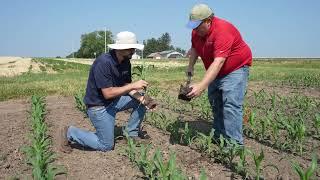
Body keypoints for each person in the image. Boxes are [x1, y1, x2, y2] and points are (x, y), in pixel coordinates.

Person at [58, 31, 156, 153]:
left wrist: (141, 98)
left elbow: (125, 85)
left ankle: (131, 134)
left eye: (134, 48)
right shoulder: (103, 62)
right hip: (99, 107)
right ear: (121, 49)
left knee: (141, 100)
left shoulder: (126, 62)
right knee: (106, 145)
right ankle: (70, 132)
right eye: (131, 49)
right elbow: (108, 93)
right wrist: (134, 85)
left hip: (114, 101)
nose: (133, 51)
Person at [185, 4, 252, 145]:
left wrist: (202, 85)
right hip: (215, 70)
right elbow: (194, 48)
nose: (195, 29)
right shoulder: (196, 32)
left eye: (198, 26)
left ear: (208, 21)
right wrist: (190, 66)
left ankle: (234, 145)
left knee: (230, 105)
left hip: (235, 69)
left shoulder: (222, 30)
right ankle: (219, 136)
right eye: (193, 26)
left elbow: (219, 61)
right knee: (216, 102)